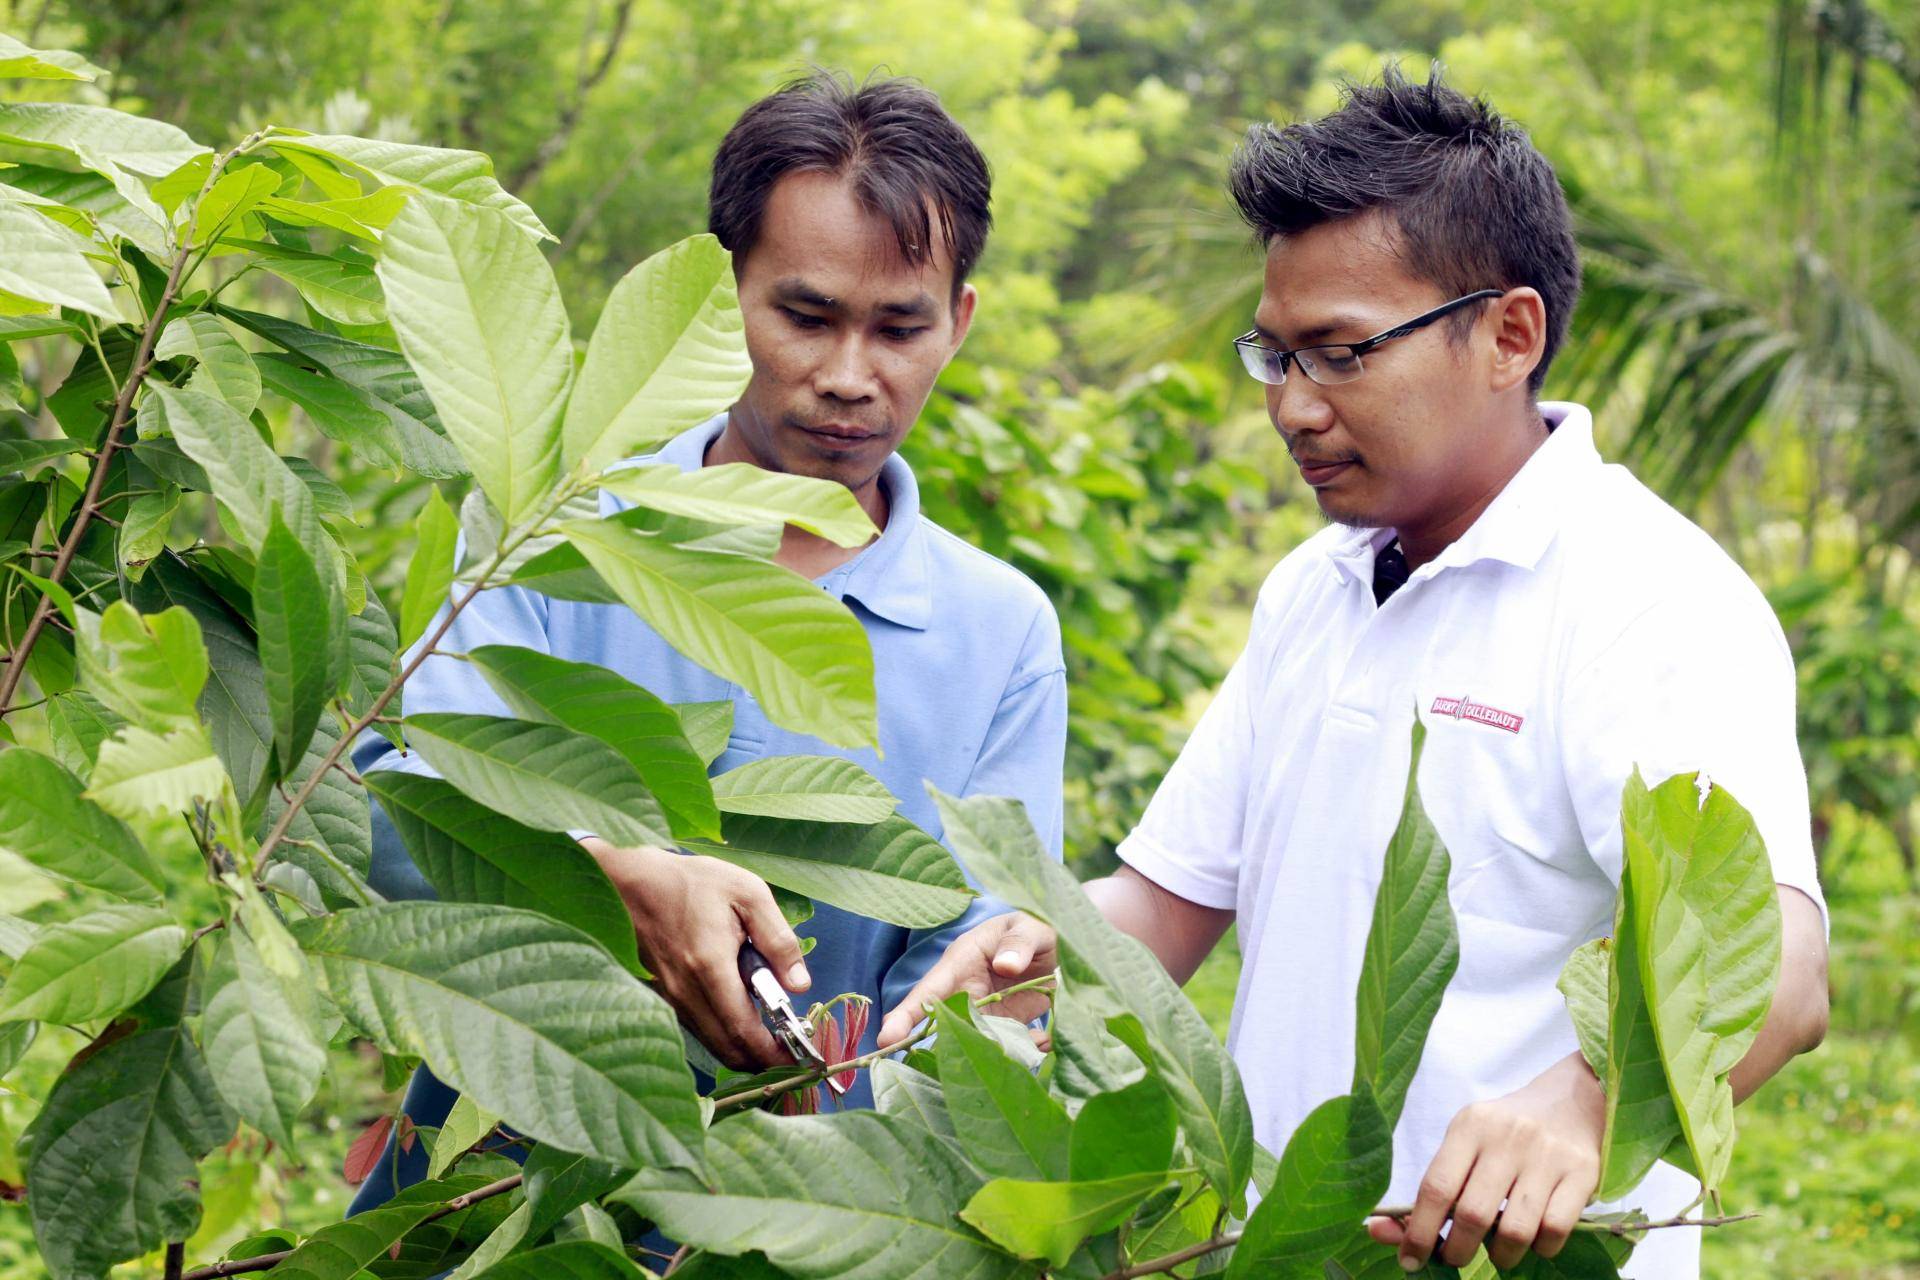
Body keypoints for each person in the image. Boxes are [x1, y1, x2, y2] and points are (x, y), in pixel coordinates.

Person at [880, 67, 1829, 1280]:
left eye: (1338, 353)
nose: (1292, 406)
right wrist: (1044, 948)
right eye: (1273, 356)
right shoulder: (1315, 587)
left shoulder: (1647, 601)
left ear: (1510, 332)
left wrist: (1583, 1110)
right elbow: (1169, 903)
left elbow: (1786, 976)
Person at [348, 70, 1067, 1211]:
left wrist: (1004, 985)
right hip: (494, 1197)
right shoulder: (552, 526)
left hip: (815, 1214)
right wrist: (615, 871)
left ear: (959, 320)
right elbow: (388, 807)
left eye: (899, 327)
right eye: (806, 314)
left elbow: (983, 926)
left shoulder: (1002, 629)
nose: (848, 376)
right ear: (727, 290)